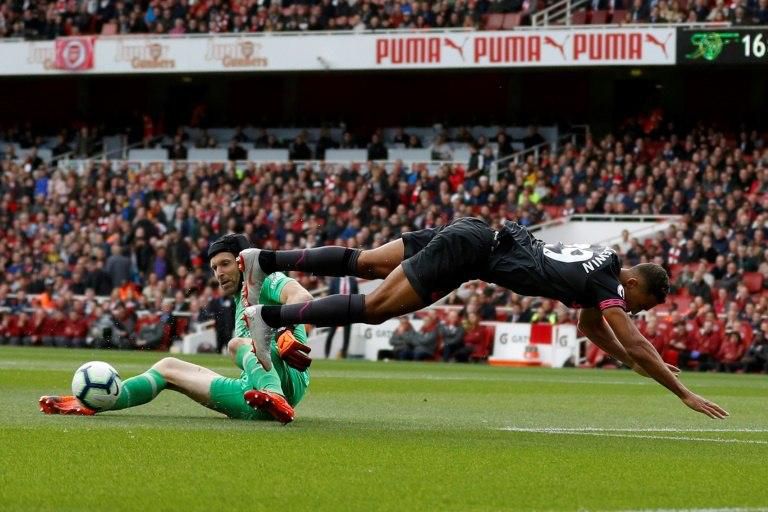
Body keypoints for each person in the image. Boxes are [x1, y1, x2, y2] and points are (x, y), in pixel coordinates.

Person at [238, 216, 728, 419]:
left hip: (474, 232)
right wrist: (679, 390)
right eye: (640, 304)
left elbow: (591, 328)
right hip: (469, 253)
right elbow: (633, 338)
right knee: (373, 309)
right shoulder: (611, 284)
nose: (633, 309)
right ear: (637, 283)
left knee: (362, 262)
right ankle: (269, 315)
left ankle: (267, 260)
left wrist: (631, 362)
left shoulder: (597, 264)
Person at [39, 234, 312, 424]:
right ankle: (99, 401)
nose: (218, 272)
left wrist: (285, 330)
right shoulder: (237, 297)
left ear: (244, 262)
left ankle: (276, 397)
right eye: (214, 267)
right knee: (167, 367)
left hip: (288, 377)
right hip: (254, 397)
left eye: (226, 264)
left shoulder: (267, 278)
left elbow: (302, 297)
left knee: (236, 344)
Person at [324, 275, 358, 358]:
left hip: (348, 312)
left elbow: (356, 296)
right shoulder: (334, 280)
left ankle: (343, 355)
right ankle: (326, 355)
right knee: (330, 334)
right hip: (336, 311)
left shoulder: (353, 281)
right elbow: (329, 295)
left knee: (347, 336)